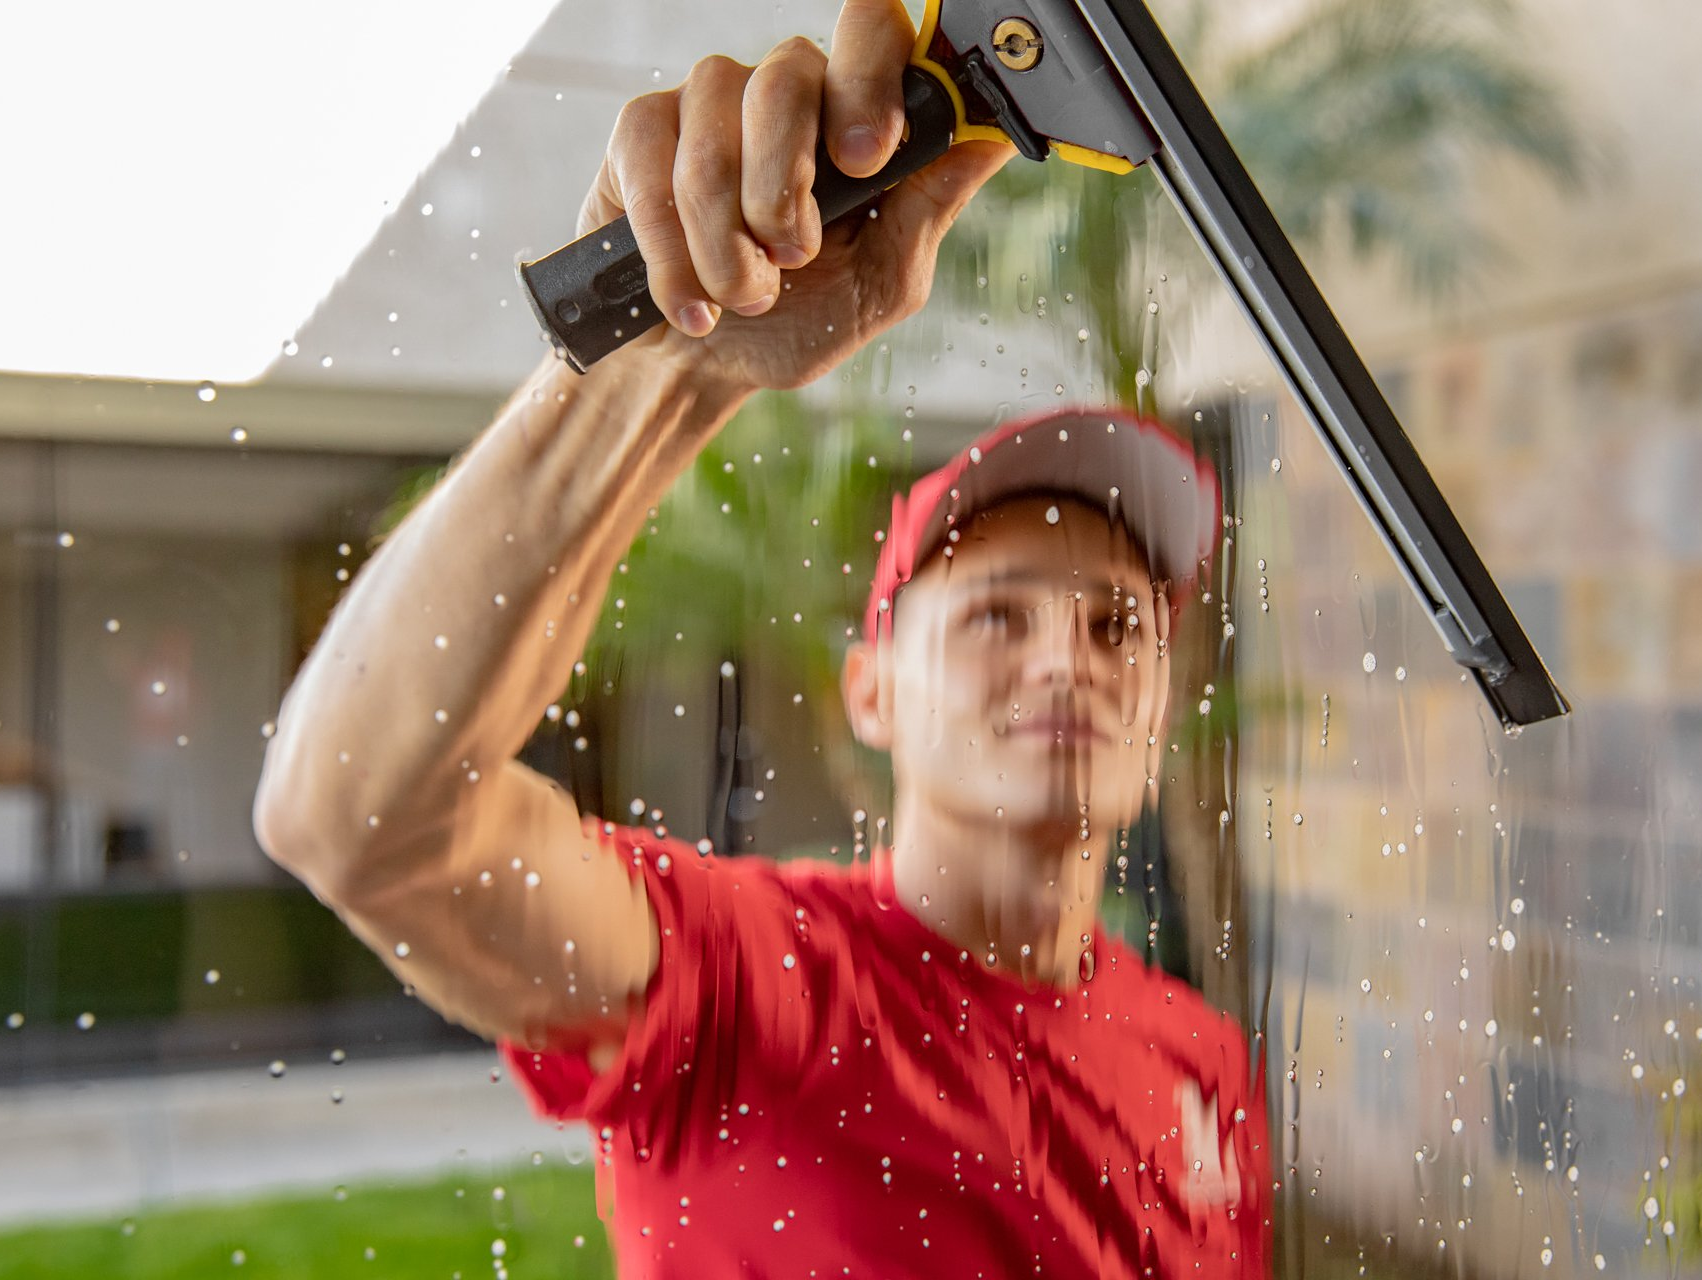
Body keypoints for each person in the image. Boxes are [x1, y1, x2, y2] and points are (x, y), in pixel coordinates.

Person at [253, 1, 1268, 1274]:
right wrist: (665, 362)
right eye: (996, 614)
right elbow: (357, 818)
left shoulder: (1202, 1052)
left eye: (1117, 622)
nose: (1069, 657)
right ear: (869, 689)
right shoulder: (760, 983)